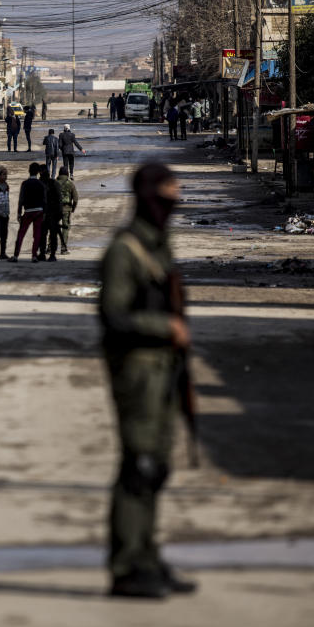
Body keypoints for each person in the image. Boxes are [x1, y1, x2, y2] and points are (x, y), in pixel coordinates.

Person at [99, 162, 197, 599]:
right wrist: (165, 329)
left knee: (155, 467)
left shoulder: (159, 243)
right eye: (170, 189)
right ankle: (126, 568)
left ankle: (147, 558)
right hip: (136, 371)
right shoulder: (126, 249)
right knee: (137, 467)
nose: (177, 197)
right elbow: (114, 316)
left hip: (163, 370)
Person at [9, 162, 46, 263]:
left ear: (29, 171)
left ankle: (16, 255)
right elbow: (44, 200)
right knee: (37, 234)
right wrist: (44, 213)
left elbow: (21, 200)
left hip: (28, 211)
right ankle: (34, 255)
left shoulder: (25, 184)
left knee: (21, 233)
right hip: (39, 211)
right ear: (38, 172)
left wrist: (18, 213)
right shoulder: (41, 184)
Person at [38, 165, 62, 262]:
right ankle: (52, 254)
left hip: (44, 213)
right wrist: (59, 213)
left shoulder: (40, 184)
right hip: (52, 214)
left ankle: (43, 254)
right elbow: (60, 200)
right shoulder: (54, 183)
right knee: (52, 235)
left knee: (43, 235)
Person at [56, 166, 79, 254]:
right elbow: (76, 198)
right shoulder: (70, 184)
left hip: (55, 209)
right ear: (67, 174)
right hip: (66, 208)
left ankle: (49, 248)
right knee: (65, 228)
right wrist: (73, 208)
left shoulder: (54, 183)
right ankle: (63, 248)